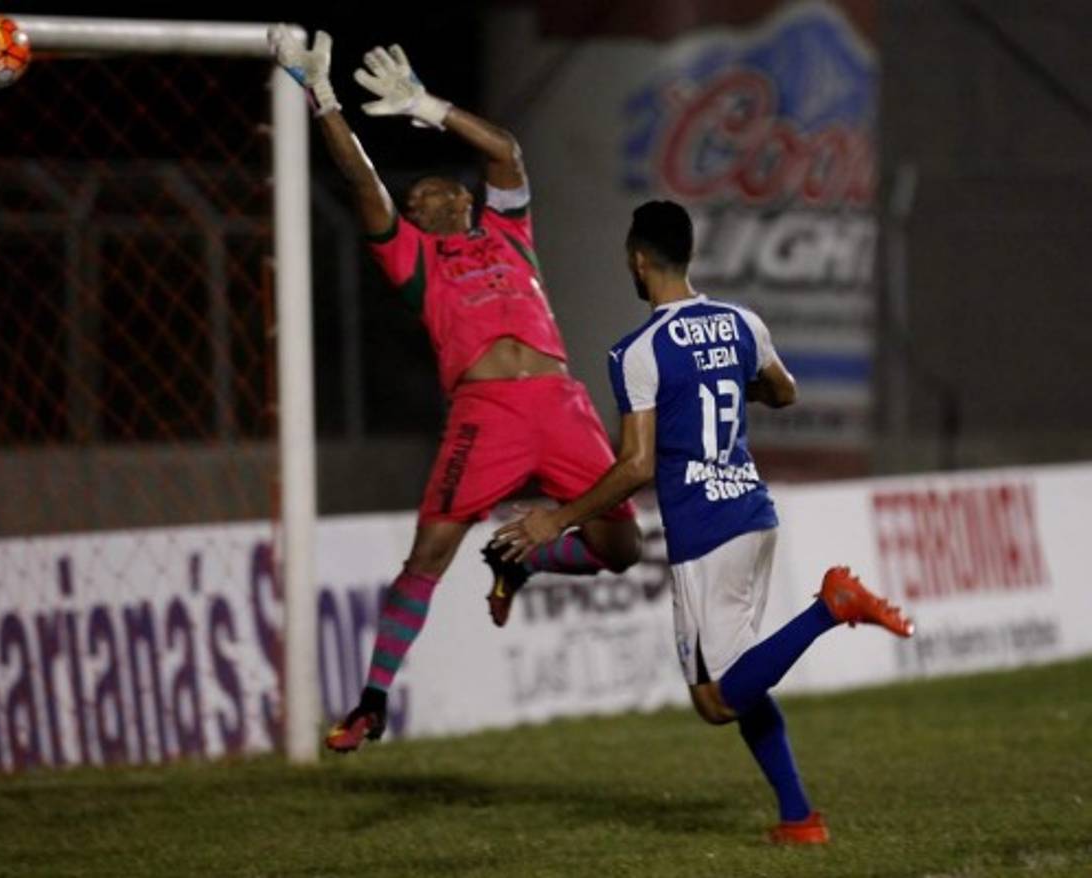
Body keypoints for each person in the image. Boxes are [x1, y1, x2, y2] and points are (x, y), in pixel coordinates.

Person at [267, 27, 642, 752]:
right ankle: (372, 701)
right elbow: (362, 182)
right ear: (413, 215)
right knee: (429, 553)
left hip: (562, 405)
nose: (437, 186)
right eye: (421, 190)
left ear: (468, 203)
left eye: (447, 183)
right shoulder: (413, 257)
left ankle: (519, 558)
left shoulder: (510, 231)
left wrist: (428, 106)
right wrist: (324, 100)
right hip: (487, 415)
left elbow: (504, 150)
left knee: (621, 549)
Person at [493, 200, 913, 844]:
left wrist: (559, 519)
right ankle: (798, 816)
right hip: (752, 510)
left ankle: (830, 607)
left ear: (637, 261)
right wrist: (718, 380)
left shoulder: (638, 350)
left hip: (704, 528)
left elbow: (634, 465)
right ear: (686, 255)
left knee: (714, 700)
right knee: (740, 677)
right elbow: (784, 391)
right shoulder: (742, 321)